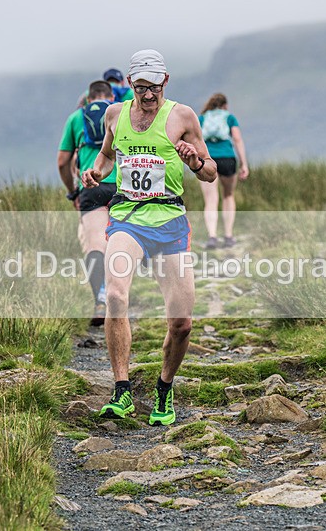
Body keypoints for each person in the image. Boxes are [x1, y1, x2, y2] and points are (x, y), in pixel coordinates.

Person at [82, 49, 217, 426]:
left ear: (165, 81)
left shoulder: (183, 116)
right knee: (116, 295)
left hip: (170, 220)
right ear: (129, 84)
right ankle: (122, 390)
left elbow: (210, 172)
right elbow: (107, 156)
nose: (147, 95)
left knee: (182, 324)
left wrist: (195, 163)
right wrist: (96, 172)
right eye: (140, 88)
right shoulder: (115, 114)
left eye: (154, 87)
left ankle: (164, 388)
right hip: (127, 217)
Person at [58, 80, 118, 326]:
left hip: (91, 186)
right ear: (111, 96)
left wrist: (73, 192)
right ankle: (119, 296)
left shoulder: (76, 118)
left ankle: (101, 300)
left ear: (87, 98)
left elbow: (62, 162)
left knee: (95, 245)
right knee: (121, 243)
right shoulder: (121, 113)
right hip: (121, 185)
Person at [197, 93, 249, 249]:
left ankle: (212, 236)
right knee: (228, 195)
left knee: (210, 200)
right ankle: (228, 235)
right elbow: (237, 139)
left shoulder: (202, 118)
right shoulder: (229, 118)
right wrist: (244, 164)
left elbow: (196, 139)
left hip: (208, 159)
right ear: (225, 105)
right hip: (227, 158)